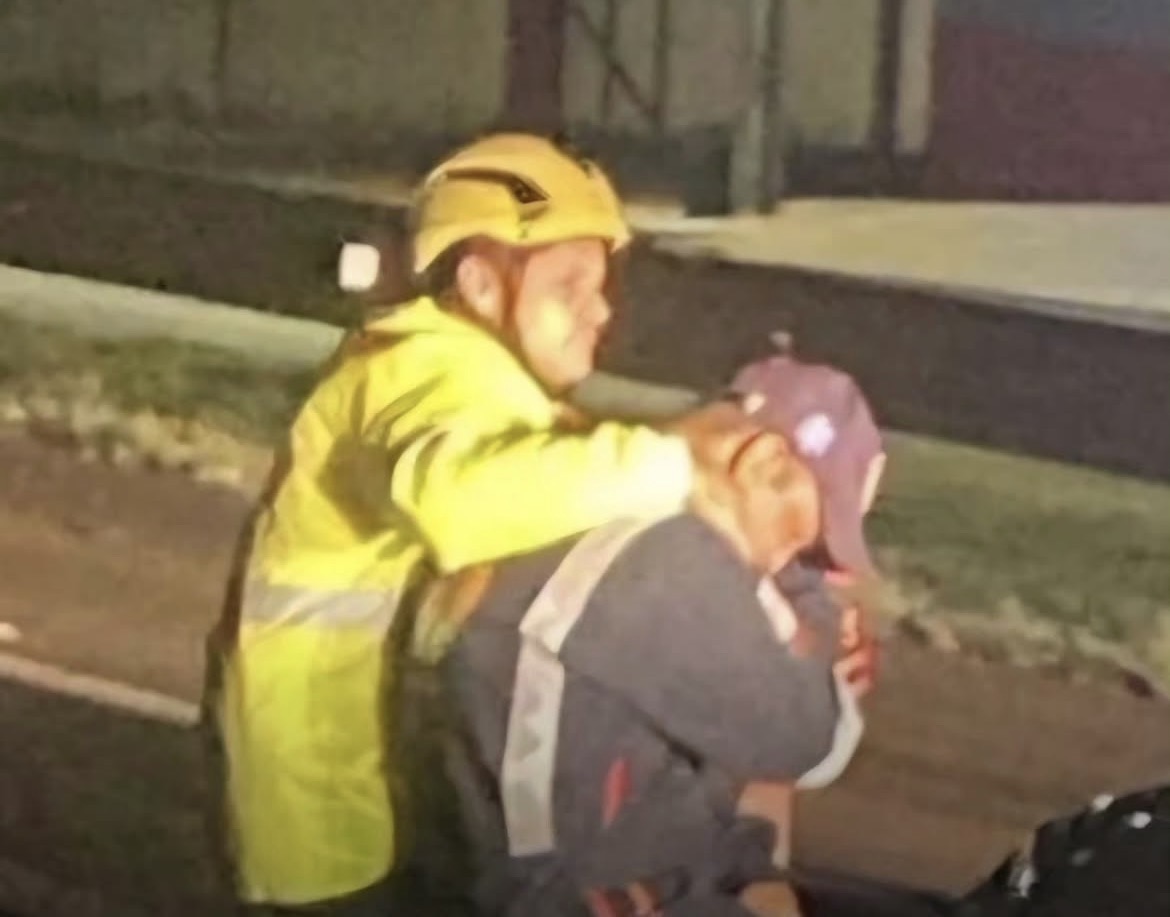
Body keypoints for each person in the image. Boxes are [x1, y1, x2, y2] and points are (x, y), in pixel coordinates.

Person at [202, 132, 794, 915]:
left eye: (601, 284)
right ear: (482, 284)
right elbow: (459, 498)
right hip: (332, 820)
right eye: (568, 284)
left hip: (366, 791)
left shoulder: (466, 375)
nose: (600, 309)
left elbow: (553, 473)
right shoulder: (420, 372)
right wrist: (678, 467)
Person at [401, 355, 890, 916]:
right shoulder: (665, 561)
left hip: (552, 867)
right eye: (801, 538)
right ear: (759, 463)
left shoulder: (605, 498)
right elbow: (809, 743)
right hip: (562, 895)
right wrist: (817, 628)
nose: (787, 563)